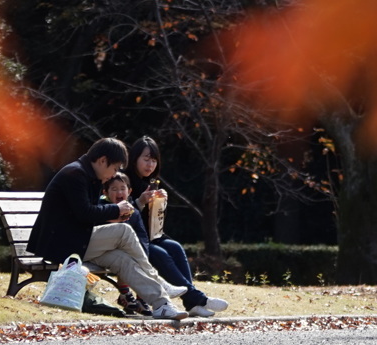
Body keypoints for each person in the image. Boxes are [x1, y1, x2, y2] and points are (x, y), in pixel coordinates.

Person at [26, 137, 188, 320]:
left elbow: (89, 216)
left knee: (123, 260)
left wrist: (115, 216)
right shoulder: (75, 174)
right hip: (60, 244)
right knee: (124, 231)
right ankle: (157, 280)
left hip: (77, 240)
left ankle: (161, 304)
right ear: (102, 160)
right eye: (114, 168)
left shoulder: (90, 176)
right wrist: (116, 209)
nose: (114, 174)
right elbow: (84, 213)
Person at [125, 136, 229, 318]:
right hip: (131, 240)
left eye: (154, 160)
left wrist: (159, 204)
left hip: (149, 236)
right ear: (134, 159)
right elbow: (124, 213)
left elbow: (153, 222)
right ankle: (199, 299)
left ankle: (191, 304)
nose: (150, 165)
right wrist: (140, 202)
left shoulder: (149, 183)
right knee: (161, 254)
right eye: (146, 159)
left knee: (175, 247)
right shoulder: (125, 181)